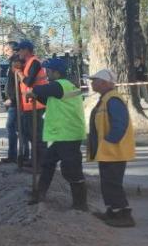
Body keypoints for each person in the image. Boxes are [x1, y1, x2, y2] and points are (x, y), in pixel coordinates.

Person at [25, 58, 88, 210]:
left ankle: (80, 204)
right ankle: (40, 194)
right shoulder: (63, 87)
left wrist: (32, 91)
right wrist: (36, 95)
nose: (46, 74)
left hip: (68, 133)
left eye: (48, 71)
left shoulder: (61, 85)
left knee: (71, 169)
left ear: (56, 72)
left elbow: (41, 90)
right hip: (64, 134)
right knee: (47, 163)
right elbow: (49, 100)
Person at [87, 69, 137, 227]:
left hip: (114, 150)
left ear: (104, 82)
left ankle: (124, 215)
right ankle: (113, 211)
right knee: (107, 183)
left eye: (95, 80)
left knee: (113, 183)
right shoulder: (105, 98)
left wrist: (108, 141)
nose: (92, 83)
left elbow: (120, 124)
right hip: (107, 150)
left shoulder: (113, 99)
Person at [16, 40, 48, 167]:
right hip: (29, 104)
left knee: (37, 134)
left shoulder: (34, 62)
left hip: (37, 104)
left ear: (26, 50)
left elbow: (29, 82)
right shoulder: (28, 63)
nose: (18, 53)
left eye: (20, 50)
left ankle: (40, 162)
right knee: (30, 133)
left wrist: (19, 73)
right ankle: (35, 159)